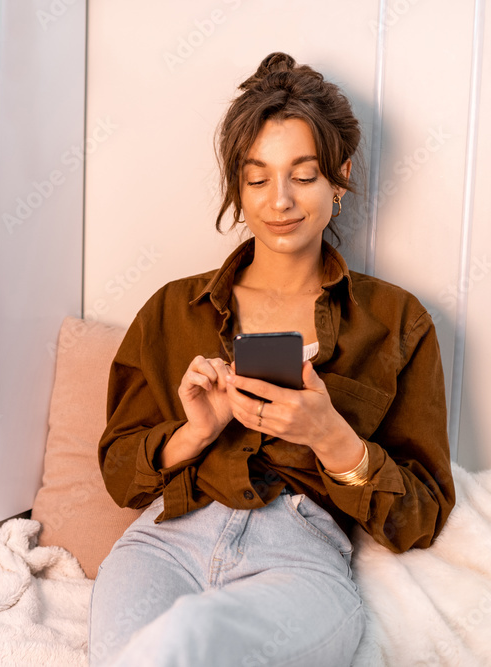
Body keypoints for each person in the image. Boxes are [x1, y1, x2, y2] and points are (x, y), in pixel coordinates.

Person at [89, 52, 455, 666]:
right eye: (257, 179)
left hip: (299, 554)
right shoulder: (172, 310)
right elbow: (120, 472)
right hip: (165, 541)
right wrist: (193, 433)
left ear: (338, 179)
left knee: (193, 647)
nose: (279, 200)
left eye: (303, 175)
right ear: (237, 184)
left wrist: (332, 438)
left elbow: (420, 517)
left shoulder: (396, 321)